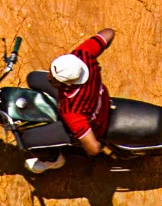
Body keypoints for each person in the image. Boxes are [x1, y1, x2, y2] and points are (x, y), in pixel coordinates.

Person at [25, 28, 117, 175]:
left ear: (67, 85)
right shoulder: (83, 56)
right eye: (51, 71)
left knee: (29, 140)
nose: (49, 77)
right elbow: (109, 33)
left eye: (54, 79)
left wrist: (93, 144)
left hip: (95, 121)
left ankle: (54, 161)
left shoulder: (72, 110)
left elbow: (93, 149)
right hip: (99, 97)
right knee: (33, 77)